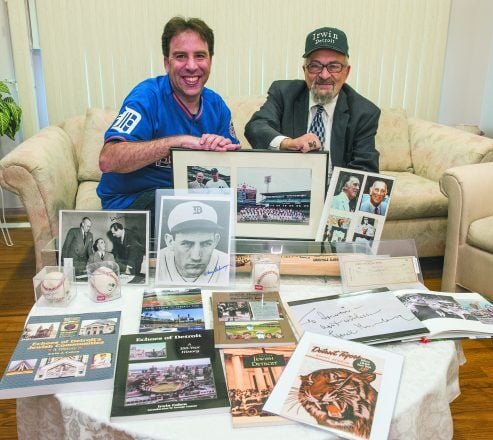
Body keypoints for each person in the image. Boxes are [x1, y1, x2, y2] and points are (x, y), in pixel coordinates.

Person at [96, 16, 240, 217]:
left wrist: (222, 148)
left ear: (210, 60)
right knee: (187, 214)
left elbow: (233, 169)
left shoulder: (217, 105)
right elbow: (108, 159)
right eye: (181, 56)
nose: (191, 66)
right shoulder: (147, 97)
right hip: (135, 200)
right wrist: (178, 142)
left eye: (200, 56)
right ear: (167, 62)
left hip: (186, 195)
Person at [244, 26, 379, 176]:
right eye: (315, 66)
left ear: (346, 72)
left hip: (333, 193)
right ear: (305, 70)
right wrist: (288, 143)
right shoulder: (284, 93)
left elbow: (365, 168)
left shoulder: (364, 112)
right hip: (288, 186)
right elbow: (256, 127)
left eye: (334, 66)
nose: (324, 75)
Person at [157, 200, 230, 285]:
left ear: (216, 241)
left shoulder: (227, 263)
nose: (196, 257)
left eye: (206, 244)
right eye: (187, 244)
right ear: (170, 242)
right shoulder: (156, 263)